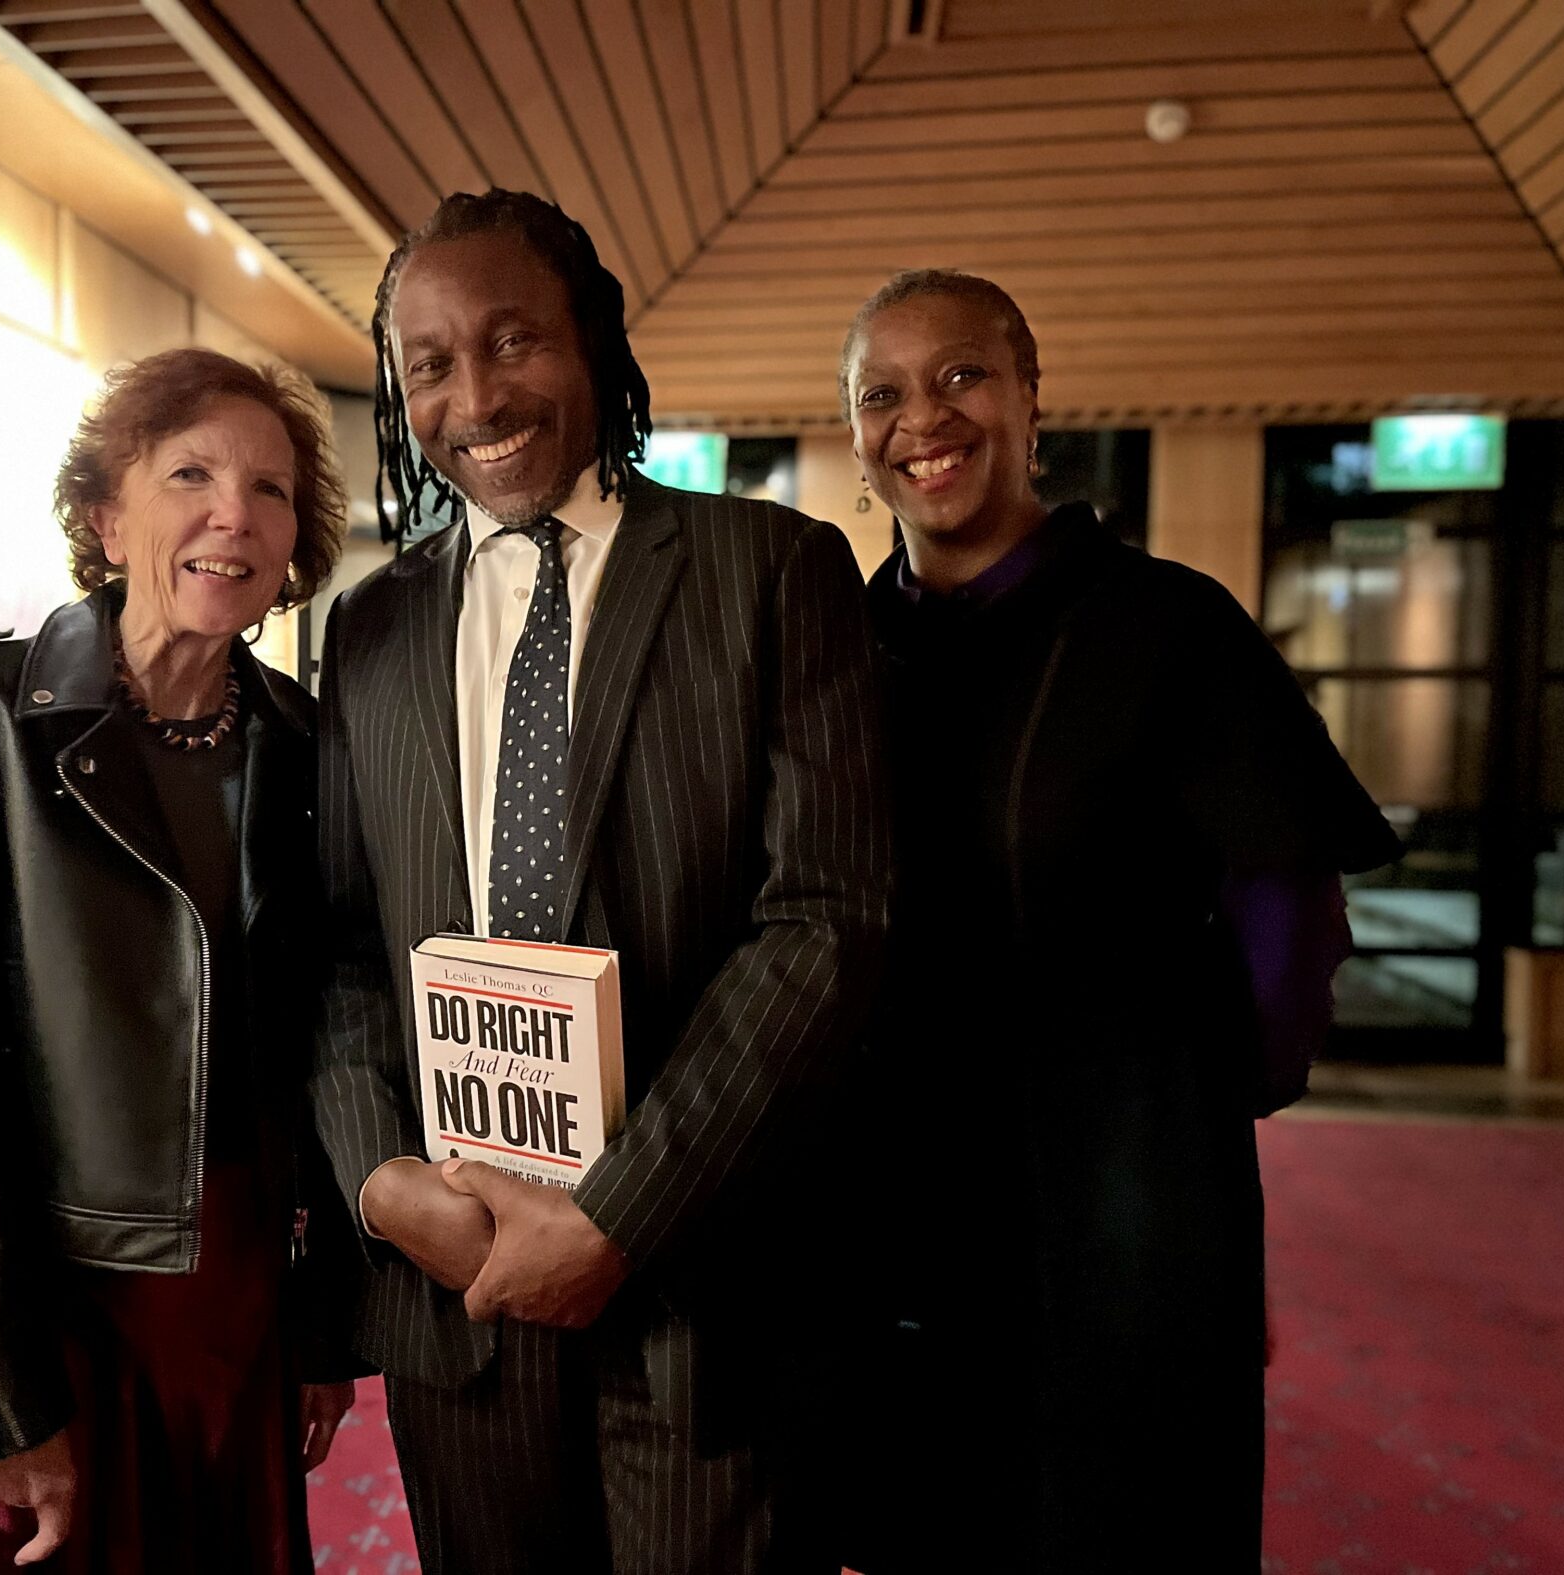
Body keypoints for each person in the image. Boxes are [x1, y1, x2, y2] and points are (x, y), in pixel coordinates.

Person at [310, 188, 889, 1574]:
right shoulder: (371, 621)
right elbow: (341, 946)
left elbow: (828, 919)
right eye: (431, 363)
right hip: (465, 1288)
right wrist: (387, 1180)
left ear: (596, 345)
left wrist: (618, 1214)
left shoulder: (771, 569)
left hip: (703, 1284)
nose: (477, 394)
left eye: (515, 339)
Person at [838, 270, 1403, 1573]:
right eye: (883, 392)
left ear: (1033, 398)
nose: (925, 415)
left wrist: (1180, 1119)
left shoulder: (1169, 626)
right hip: (900, 1211)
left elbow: (1289, 922)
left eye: (963, 374)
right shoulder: (839, 649)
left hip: (1129, 1199)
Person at [0, 348, 363, 1574]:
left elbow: (334, 1037)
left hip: (237, 1297)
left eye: (272, 491)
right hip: (44, 1295)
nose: (234, 514)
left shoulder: (305, 742)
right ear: (106, 514)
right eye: (190, 473)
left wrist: (322, 1328)